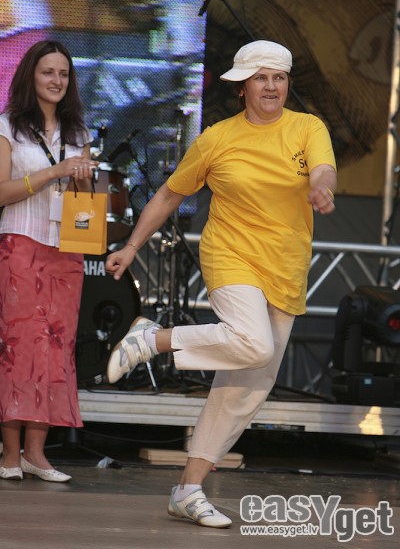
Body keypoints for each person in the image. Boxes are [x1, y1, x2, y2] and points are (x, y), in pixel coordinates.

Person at [105, 39, 337, 527]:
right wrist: (131, 246)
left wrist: (322, 186)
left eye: (278, 77)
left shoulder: (307, 127)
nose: (271, 86)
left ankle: (187, 490)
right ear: (242, 87)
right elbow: (169, 196)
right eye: (260, 78)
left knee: (247, 385)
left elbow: (323, 168)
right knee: (253, 344)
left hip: (286, 265)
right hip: (231, 255)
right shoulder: (217, 138)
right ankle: (154, 339)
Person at [0, 40, 98, 482]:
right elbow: (1, 192)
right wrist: (54, 172)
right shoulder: (8, 126)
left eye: (63, 73)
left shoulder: (79, 132)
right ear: (31, 76)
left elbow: (84, 202)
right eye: (48, 72)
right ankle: (9, 455)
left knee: (55, 347)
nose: (57, 80)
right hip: (20, 242)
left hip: (66, 249)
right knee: (18, 347)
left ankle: (36, 455)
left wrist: (84, 178)